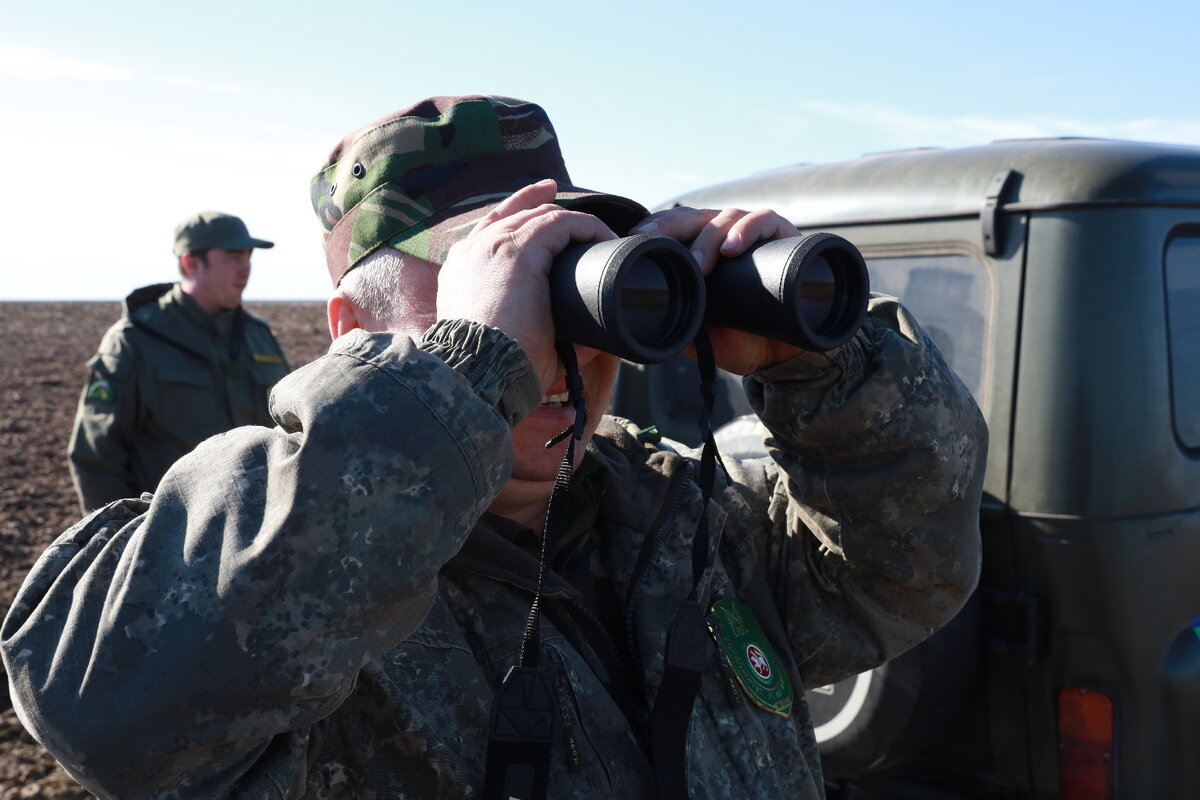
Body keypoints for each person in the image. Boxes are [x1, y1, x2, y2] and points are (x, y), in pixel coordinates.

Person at [4, 96, 986, 799]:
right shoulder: (298, 606)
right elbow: (106, 711)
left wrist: (829, 366)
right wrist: (464, 378)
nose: (558, 343)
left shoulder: (683, 522)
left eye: (576, 281)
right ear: (352, 326)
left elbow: (908, 570)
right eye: (504, 274)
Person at [66, 211, 291, 512]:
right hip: (168, 542)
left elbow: (286, 432)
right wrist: (121, 543)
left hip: (258, 534)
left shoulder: (258, 337)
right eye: (233, 257)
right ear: (191, 263)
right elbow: (96, 458)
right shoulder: (136, 341)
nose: (245, 268)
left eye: (249, 257)